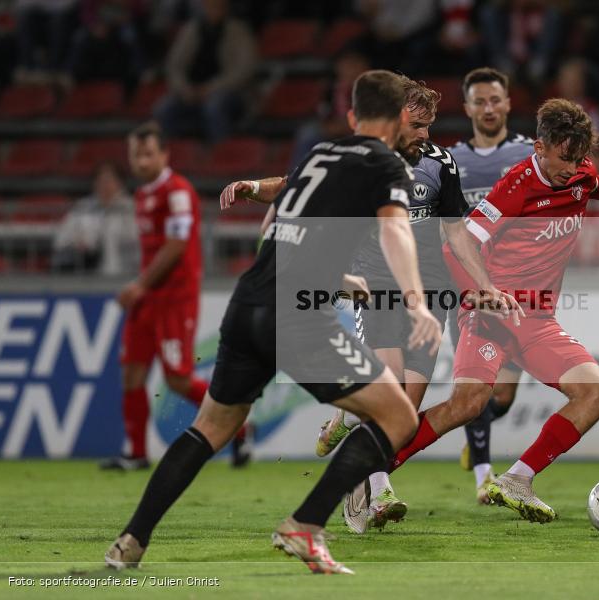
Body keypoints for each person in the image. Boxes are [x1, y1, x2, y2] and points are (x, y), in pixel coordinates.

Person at [104, 70, 443, 575]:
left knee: (210, 427)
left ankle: (130, 542)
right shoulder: (387, 164)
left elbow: (274, 227)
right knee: (398, 417)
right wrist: (415, 301)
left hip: (248, 303)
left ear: (352, 115)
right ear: (397, 119)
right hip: (298, 316)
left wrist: (337, 277)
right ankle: (305, 525)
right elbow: (395, 232)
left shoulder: (320, 154)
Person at [379, 98, 599, 523]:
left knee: (597, 394)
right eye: (564, 158)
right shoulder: (515, 187)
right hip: (491, 314)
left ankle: (517, 479)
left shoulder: (580, 171)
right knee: (467, 404)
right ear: (540, 147)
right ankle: (372, 470)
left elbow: (596, 184)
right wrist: (480, 293)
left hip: (536, 320)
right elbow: (455, 246)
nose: (572, 169)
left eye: (578, 159)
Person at [311, 76, 520, 533]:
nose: (426, 134)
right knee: (389, 394)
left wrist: (485, 284)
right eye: (417, 124)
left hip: (432, 293)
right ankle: (376, 491)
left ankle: (350, 422)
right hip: (378, 287)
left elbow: (457, 234)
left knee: (406, 414)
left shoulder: (440, 165)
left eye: (429, 125)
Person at [100, 121, 251, 471]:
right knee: (132, 373)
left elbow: (177, 244)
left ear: (164, 154)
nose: (141, 161)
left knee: (178, 380)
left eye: (148, 154)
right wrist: (143, 287)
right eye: (136, 154)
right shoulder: (142, 194)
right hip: (149, 298)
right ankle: (136, 453)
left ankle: (241, 428)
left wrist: (140, 284)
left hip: (174, 299)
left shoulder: (178, 191)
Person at [447, 67, 534, 504]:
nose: (488, 108)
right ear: (467, 108)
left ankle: (473, 439)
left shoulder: (530, 154)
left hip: (519, 288)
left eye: (495, 100)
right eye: (479, 101)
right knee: (476, 386)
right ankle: (485, 476)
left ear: (508, 103)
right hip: (468, 288)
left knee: (503, 395)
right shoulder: (449, 161)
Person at [154, 0, 256, 142]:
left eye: (217, 6)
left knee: (214, 107)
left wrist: (210, 88)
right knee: (163, 108)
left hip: (229, 92)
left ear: (225, 8)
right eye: (209, 6)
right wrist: (185, 89)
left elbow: (243, 70)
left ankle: (220, 151)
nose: (213, 10)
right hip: (191, 91)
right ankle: (174, 151)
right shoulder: (191, 29)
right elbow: (174, 65)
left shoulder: (239, 31)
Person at [52, 161, 138, 275]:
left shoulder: (133, 208)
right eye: (101, 181)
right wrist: (77, 244)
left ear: (120, 183)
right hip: (89, 277)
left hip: (128, 274)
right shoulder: (82, 207)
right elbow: (61, 240)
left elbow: (139, 239)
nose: (105, 185)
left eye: (109, 180)